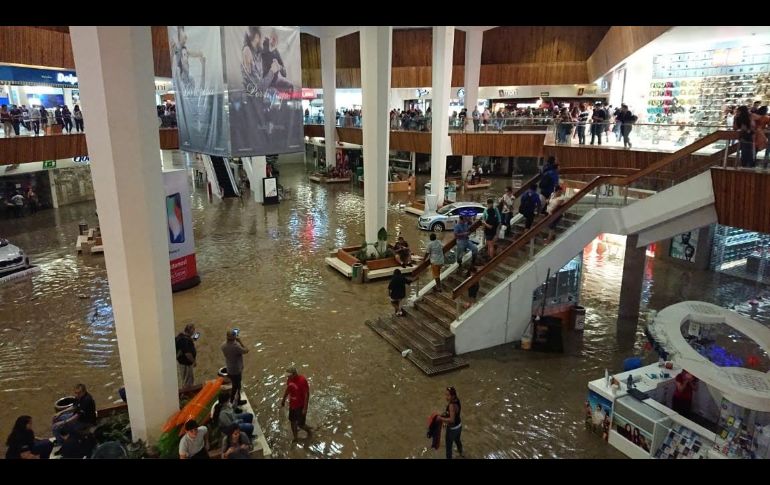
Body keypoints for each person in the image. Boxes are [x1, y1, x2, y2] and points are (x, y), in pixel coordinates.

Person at [281, 366, 312, 441]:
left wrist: (305, 408)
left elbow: (307, 395)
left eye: (289, 376)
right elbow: (288, 389)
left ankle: (309, 432)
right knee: (292, 422)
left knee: (301, 425)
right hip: (292, 405)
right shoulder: (290, 379)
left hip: (300, 406)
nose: (287, 377)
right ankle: (295, 437)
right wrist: (284, 399)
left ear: (294, 374)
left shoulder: (302, 380)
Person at [221, 329, 249, 406]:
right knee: (237, 387)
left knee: (234, 384)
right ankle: (236, 401)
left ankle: (232, 399)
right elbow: (246, 350)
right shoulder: (236, 347)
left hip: (229, 368)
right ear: (234, 337)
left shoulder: (223, 345)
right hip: (236, 369)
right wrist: (240, 341)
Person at [437, 386, 463, 459]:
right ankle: (461, 453)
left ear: (453, 396)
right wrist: (445, 417)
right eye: (445, 394)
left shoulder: (451, 405)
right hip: (459, 426)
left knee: (448, 448)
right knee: (457, 441)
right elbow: (454, 414)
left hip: (452, 430)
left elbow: (452, 420)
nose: (446, 397)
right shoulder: (457, 400)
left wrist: (441, 419)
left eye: (448, 395)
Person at [175, 324, 197, 388]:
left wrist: (193, 339)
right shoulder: (185, 340)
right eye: (193, 330)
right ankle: (187, 393)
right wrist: (193, 361)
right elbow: (188, 354)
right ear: (189, 330)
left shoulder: (181, 337)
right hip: (186, 364)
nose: (194, 331)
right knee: (188, 382)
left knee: (185, 380)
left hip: (182, 362)